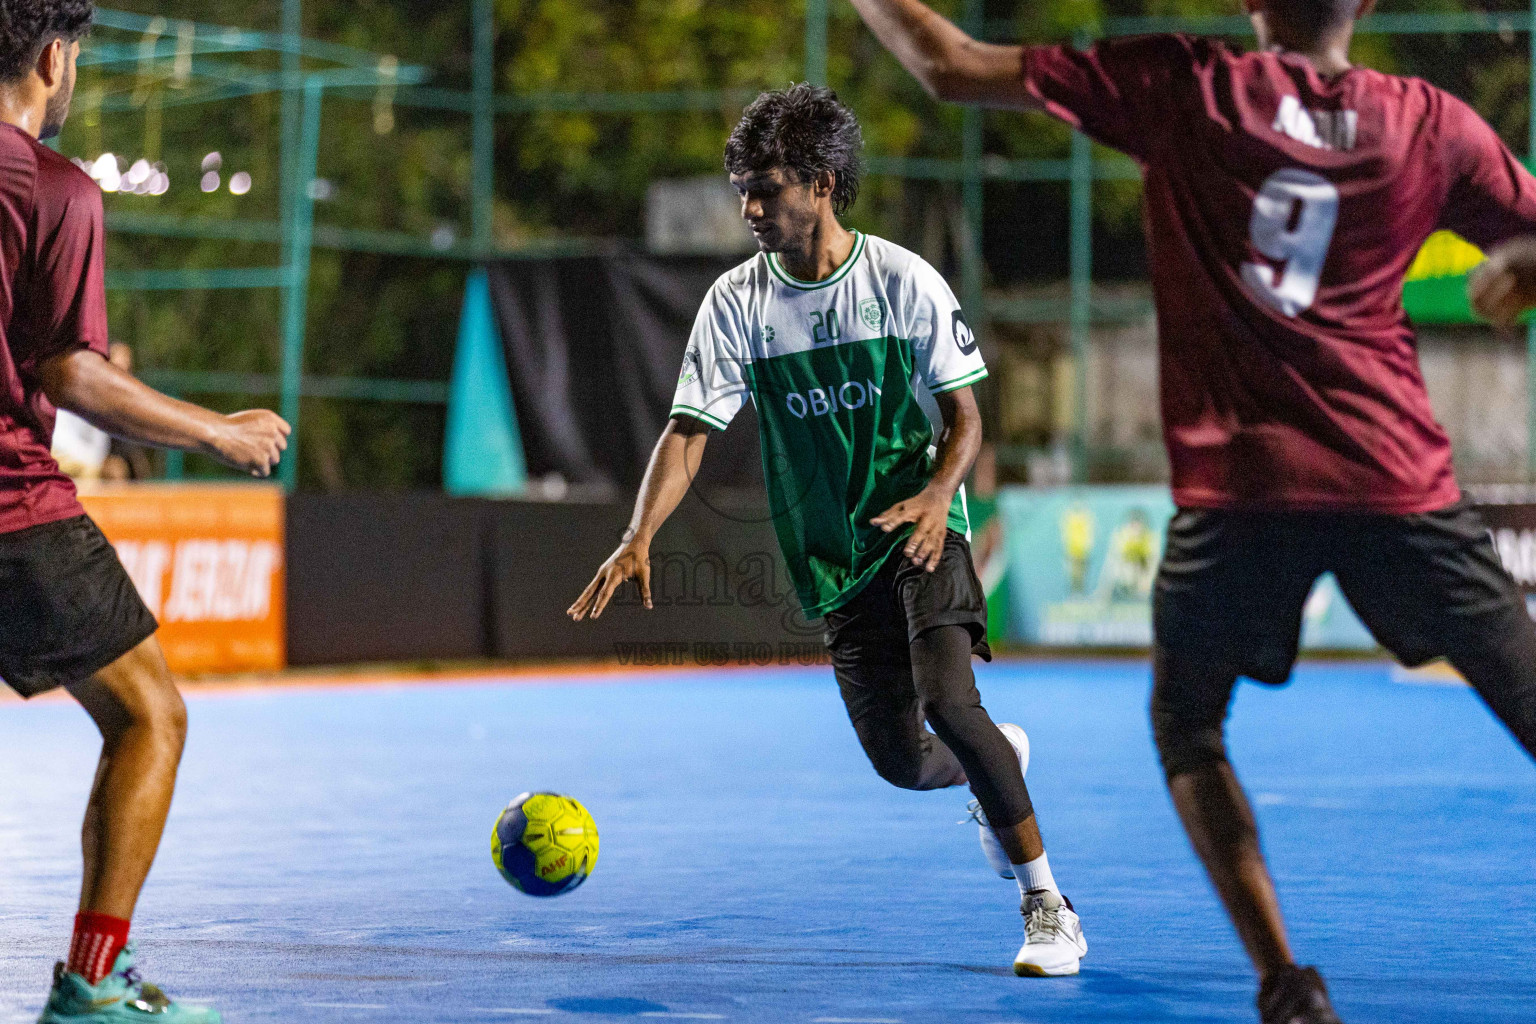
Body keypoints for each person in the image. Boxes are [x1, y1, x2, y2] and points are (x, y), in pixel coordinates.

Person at [847, 0, 1536, 1020]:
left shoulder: (1191, 86)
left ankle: (1285, 983)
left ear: (1254, 2)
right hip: (1396, 481)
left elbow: (950, 66)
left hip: (1242, 490)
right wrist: (1522, 266)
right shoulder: (1430, 122)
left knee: (1188, 726)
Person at [568, 83, 1089, 976]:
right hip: (832, 560)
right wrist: (638, 533)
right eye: (743, 188)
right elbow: (690, 429)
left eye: (765, 188)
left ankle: (1047, 904)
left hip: (923, 530)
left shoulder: (901, 281)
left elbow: (967, 419)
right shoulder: (736, 303)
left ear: (822, 182)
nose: (749, 207)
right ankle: (993, 763)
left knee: (950, 702)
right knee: (902, 762)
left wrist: (935, 499)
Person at [0, 4, 290, 1021]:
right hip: (6, 507)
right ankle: (91, 983)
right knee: (148, 714)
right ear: (53, 57)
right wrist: (217, 432)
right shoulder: (53, 187)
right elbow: (69, 371)